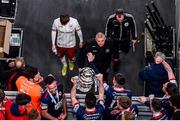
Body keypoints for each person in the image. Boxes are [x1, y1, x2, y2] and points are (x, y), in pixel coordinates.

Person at [105, 8, 137, 73]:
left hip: (126, 38)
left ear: (123, 14)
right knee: (115, 54)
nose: (119, 19)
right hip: (115, 39)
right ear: (115, 15)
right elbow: (107, 28)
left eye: (121, 17)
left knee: (126, 50)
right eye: (118, 17)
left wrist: (134, 38)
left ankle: (123, 49)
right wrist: (107, 38)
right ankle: (116, 62)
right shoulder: (111, 18)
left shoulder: (129, 17)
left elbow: (133, 27)